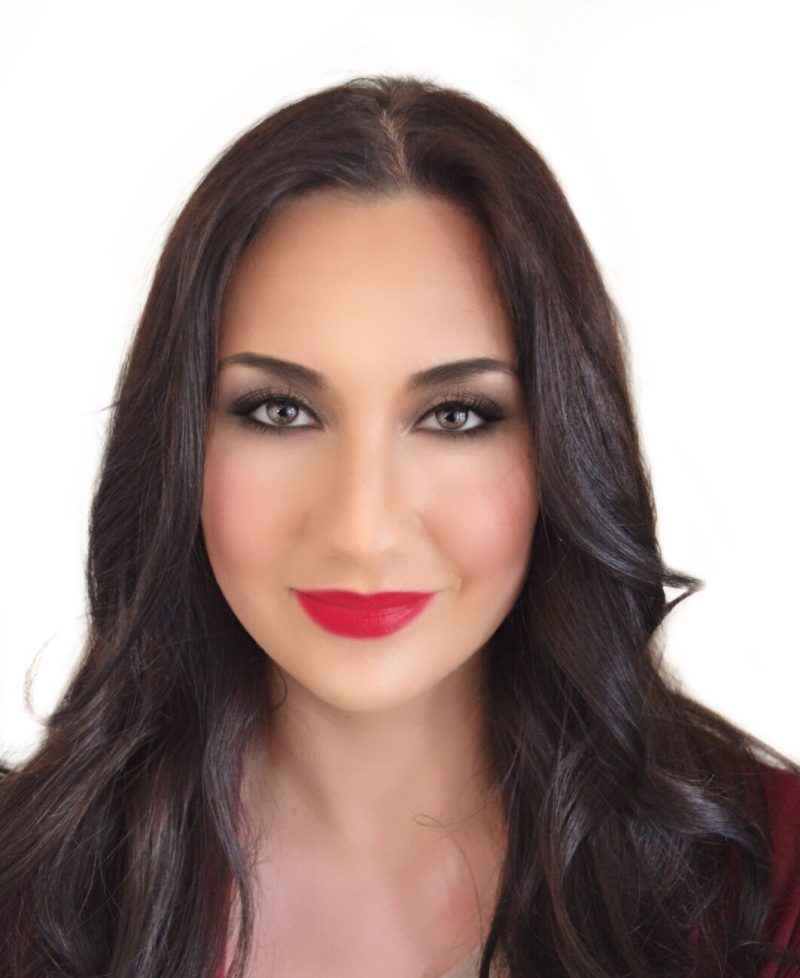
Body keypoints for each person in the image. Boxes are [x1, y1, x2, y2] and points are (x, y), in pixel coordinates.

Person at [1, 74, 798, 978]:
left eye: (455, 416)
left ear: (565, 447)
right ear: (177, 441)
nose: (362, 530)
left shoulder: (774, 886)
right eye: (280, 411)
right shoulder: (27, 896)